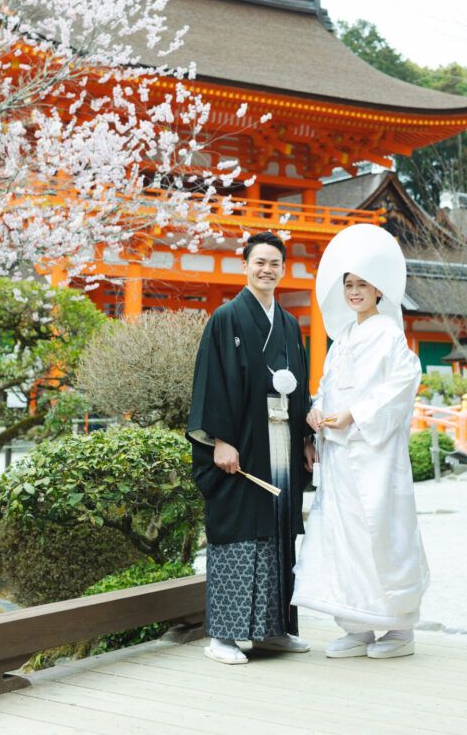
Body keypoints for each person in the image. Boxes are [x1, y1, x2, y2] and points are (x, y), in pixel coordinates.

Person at [292, 223, 429, 661]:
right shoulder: (343, 338)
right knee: (341, 535)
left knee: (381, 532)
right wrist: (316, 413)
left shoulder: (389, 334)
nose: (354, 292)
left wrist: (357, 413)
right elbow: (330, 388)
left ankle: (397, 629)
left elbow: (404, 383)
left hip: (375, 454)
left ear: (378, 290)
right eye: (348, 284)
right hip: (338, 453)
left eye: (362, 284)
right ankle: (355, 624)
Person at [187, 230, 314, 665]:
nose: (267, 269)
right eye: (259, 262)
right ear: (245, 266)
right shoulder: (226, 317)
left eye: (274, 263)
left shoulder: (290, 324)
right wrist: (220, 441)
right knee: (238, 531)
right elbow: (212, 382)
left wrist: (305, 438)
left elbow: (301, 388)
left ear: (283, 269)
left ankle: (272, 631)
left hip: (280, 441)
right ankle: (222, 635)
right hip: (241, 445)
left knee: (278, 531)